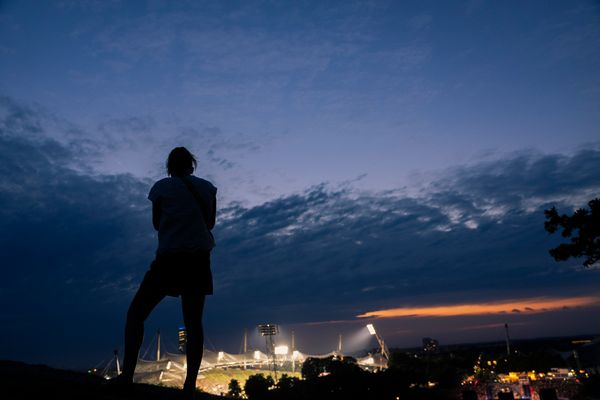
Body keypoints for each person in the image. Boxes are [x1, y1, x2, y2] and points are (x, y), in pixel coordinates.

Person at [114, 147, 216, 399]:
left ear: (169, 167)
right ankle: (190, 385)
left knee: (136, 314)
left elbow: (156, 224)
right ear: (192, 166)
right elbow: (210, 223)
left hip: (168, 260)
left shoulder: (160, 188)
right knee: (193, 323)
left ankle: (127, 375)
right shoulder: (208, 188)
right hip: (198, 260)